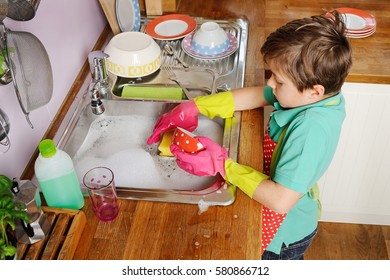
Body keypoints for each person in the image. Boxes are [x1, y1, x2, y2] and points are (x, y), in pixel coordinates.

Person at [147, 10, 352, 260]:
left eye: (279, 81)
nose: (270, 85)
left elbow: (280, 200)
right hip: (283, 209)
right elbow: (258, 95)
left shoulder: (310, 130)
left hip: (284, 232)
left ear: (314, 92)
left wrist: (222, 164)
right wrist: (197, 105)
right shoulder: (314, 97)